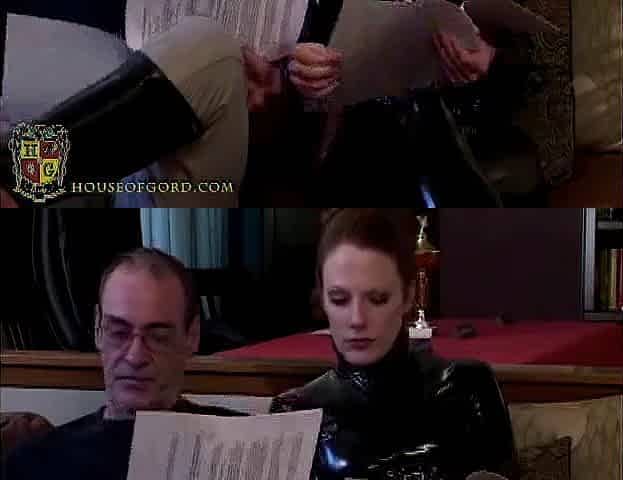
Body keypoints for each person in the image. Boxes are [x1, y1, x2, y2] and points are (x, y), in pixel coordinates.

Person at [270, 209, 519, 479]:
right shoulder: (295, 411)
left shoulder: (466, 387)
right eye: (340, 299)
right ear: (323, 300)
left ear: (408, 296)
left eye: (377, 299)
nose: (357, 319)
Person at [2, 248, 246, 480]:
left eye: (158, 337)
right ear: (98, 329)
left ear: (191, 336)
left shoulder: (245, 440)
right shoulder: (33, 463)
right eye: (119, 333)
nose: (134, 357)